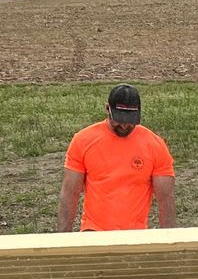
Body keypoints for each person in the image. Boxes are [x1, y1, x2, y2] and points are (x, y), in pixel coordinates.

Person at [58, 85, 177, 232]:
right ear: (107, 108)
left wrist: (170, 241)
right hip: (94, 233)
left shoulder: (155, 145)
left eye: (130, 120)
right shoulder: (83, 141)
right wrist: (63, 237)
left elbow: (165, 199)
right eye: (119, 119)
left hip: (135, 236)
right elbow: (70, 193)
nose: (124, 125)